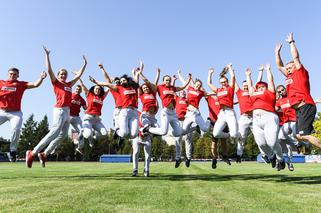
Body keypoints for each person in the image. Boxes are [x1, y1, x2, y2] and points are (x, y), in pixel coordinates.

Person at [26, 46, 87, 168]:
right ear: (58, 75)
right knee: (54, 132)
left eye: (65, 74)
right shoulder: (56, 83)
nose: (63, 75)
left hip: (67, 112)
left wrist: (84, 64)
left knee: (63, 135)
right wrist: (47, 55)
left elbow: (79, 75)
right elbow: (49, 70)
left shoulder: (69, 84)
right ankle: (33, 153)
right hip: (59, 110)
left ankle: (45, 154)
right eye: (61, 74)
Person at [275, 32, 321, 149]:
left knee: (305, 135)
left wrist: (291, 43)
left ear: (296, 66)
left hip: (305, 106)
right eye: (287, 68)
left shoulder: (300, 72)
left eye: (290, 67)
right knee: (299, 136)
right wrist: (277, 53)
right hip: (299, 110)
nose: (288, 69)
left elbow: (295, 57)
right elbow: (280, 66)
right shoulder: (288, 77)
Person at [0, 68, 47, 161]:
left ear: (18, 76)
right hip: (2, 111)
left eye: (14, 74)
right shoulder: (1, 83)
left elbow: (35, 84)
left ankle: (12, 151)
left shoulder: (20, 84)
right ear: (8, 74)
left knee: (16, 129)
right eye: (11, 74)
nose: (12, 75)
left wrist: (41, 78)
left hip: (15, 113)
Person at [246, 64, 285, 171]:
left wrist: (268, 70)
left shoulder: (270, 92)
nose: (260, 88)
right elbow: (250, 86)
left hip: (269, 117)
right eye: (258, 87)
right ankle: (272, 157)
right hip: (256, 120)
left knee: (271, 142)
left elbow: (271, 81)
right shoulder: (253, 94)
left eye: (262, 86)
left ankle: (281, 160)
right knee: (261, 144)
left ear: (266, 87)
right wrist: (248, 76)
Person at [92, 64, 140, 139]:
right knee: (124, 133)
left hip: (133, 111)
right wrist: (97, 81)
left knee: (133, 135)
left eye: (123, 80)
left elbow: (136, 80)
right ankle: (117, 131)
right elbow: (107, 82)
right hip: (122, 110)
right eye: (119, 81)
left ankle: (121, 137)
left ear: (127, 80)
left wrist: (136, 73)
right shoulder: (118, 88)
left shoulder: (133, 87)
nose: (120, 82)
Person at [145, 71, 192, 137]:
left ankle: (168, 133)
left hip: (173, 113)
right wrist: (141, 73)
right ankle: (148, 129)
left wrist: (189, 79)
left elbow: (183, 87)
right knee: (163, 132)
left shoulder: (172, 88)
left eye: (169, 80)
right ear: (163, 81)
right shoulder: (160, 87)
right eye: (166, 80)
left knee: (178, 133)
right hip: (165, 112)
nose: (168, 81)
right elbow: (148, 83)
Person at [234, 66, 264, 163]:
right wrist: (231, 72)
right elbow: (234, 83)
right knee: (241, 137)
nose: (245, 86)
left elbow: (258, 81)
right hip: (244, 118)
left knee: (258, 136)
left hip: (254, 117)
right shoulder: (239, 92)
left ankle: (264, 154)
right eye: (244, 85)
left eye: (246, 84)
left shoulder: (253, 91)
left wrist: (260, 71)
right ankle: (239, 155)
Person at [207, 64, 238, 143]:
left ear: (227, 82)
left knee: (234, 135)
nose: (223, 83)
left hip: (230, 112)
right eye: (221, 82)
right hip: (222, 114)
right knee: (216, 134)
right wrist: (210, 73)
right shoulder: (218, 90)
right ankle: (229, 135)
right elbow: (209, 84)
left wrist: (230, 67)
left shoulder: (230, 88)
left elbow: (233, 77)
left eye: (224, 82)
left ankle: (236, 135)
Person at [78, 78, 108, 151]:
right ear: (93, 89)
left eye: (99, 89)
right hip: (88, 118)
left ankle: (93, 137)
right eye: (96, 89)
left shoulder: (102, 97)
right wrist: (78, 76)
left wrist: (111, 83)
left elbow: (109, 88)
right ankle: (88, 137)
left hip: (97, 120)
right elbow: (82, 85)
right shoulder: (89, 94)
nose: (97, 90)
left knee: (104, 134)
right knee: (88, 135)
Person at [205, 93, 231, 168]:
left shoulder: (222, 98)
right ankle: (214, 157)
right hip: (213, 121)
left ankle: (225, 156)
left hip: (223, 121)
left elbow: (231, 102)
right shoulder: (209, 98)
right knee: (214, 141)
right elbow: (202, 91)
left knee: (224, 140)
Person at [275, 85, 297, 171]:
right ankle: (279, 161)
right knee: (277, 144)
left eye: (281, 91)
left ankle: (290, 162)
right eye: (278, 92)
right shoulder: (277, 103)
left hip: (287, 123)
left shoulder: (288, 99)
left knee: (289, 146)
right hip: (278, 126)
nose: (280, 93)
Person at [131, 112, 152, 177]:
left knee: (147, 155)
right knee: (136, 152)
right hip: (137, 137)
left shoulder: (149, 118)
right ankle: (135, 170)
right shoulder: (135, 115)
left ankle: (146, 170)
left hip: (146, 137)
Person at [69, 84, 87, 154]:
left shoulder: (82, 99)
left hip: (76, 116)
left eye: (79, 90)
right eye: (77, 89)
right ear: (75, 89)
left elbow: (85, 108)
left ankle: (80, 147)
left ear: (81, 91)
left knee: (82, 130)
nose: (78, 90)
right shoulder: (70, 95)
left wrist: (86, 110)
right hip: (68, 115)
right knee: (72, 130)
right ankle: (75, 140)